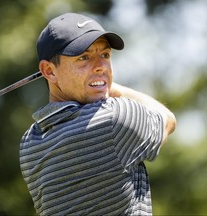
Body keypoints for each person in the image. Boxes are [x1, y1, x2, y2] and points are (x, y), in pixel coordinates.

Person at [19, 13, 176, 216]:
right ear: (49, 71)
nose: (101, 66)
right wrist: (106, 84)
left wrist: (95, 81)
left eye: (105, 55)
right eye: (84, 57)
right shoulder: (113, 119)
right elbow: (167, 119)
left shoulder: (29, 143)